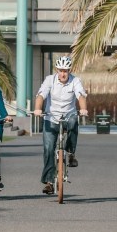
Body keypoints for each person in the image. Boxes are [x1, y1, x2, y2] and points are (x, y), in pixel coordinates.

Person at [33, 55, 88, 195]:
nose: (63, 73)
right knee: (48, 148)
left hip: (68, 115)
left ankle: (70, 153)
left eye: (66, 71)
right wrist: (38, 108)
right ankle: (49, 182)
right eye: (61, 70)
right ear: (57, 70)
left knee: (73, 122)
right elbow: (41, 95)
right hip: (51, 118)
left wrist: (83, 109)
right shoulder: (49, 80)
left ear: (69, 70)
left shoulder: (75, 81)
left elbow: (81, 95)